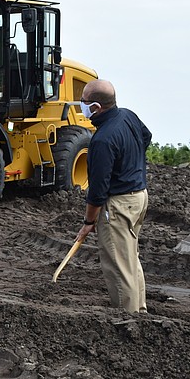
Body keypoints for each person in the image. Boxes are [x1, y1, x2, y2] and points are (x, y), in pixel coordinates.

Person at [75, 79, 151, 314]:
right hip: (139, 196)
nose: (81, 105)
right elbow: (146, 137)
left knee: (118, 265)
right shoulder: (129, 116)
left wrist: (89, 222)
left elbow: (98, 190)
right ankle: (140, 310)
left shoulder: (102, 140)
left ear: (96, 107)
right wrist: (130, 164)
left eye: (85, 102)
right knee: (130, 257)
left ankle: (128, 319)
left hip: (118, 205)